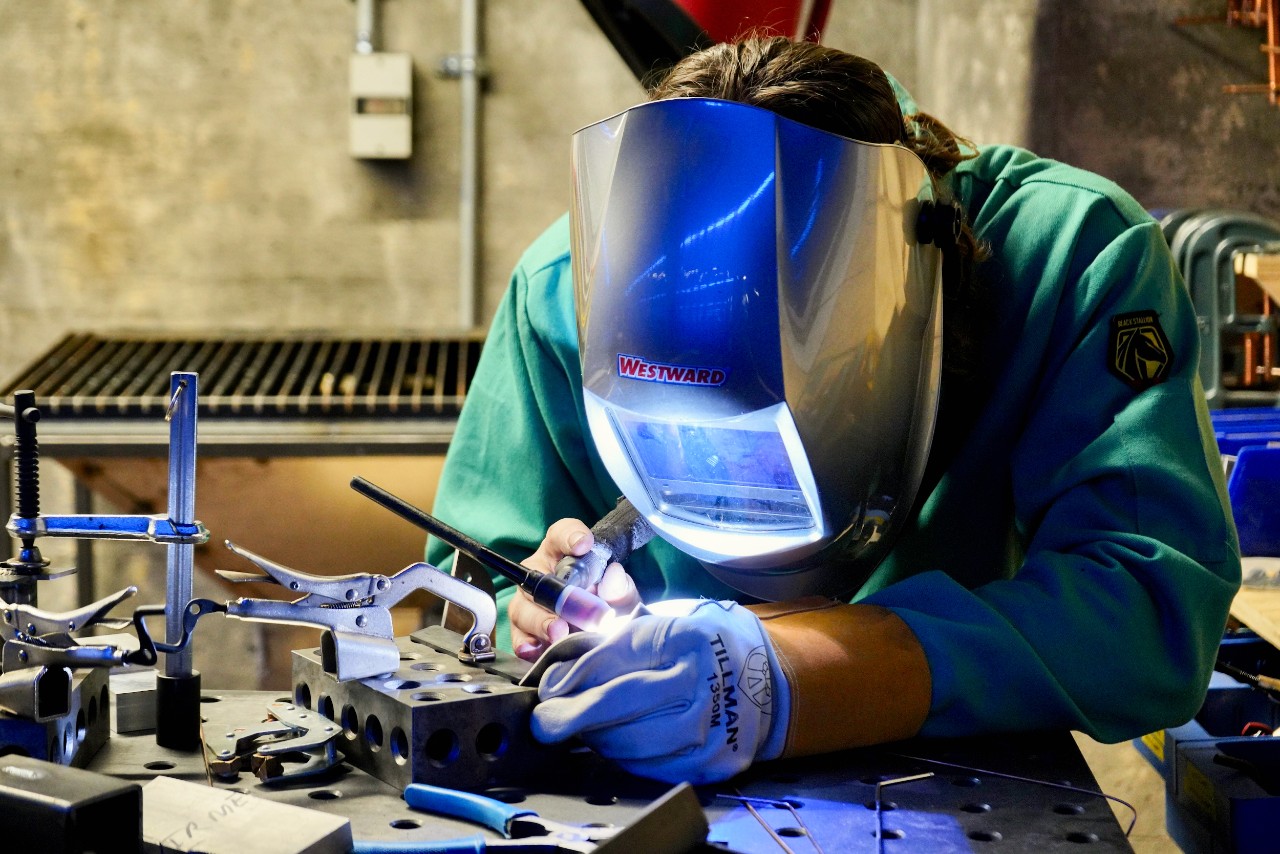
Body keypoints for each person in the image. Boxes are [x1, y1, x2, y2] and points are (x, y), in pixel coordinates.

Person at [426, 36, 1241, 785]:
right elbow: (468, 590)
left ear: (921, 301)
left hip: (958, 772)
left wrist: (804, 676)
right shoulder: (561, 288)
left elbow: (1149, 616)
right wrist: (529, 617)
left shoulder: (1074, 254)